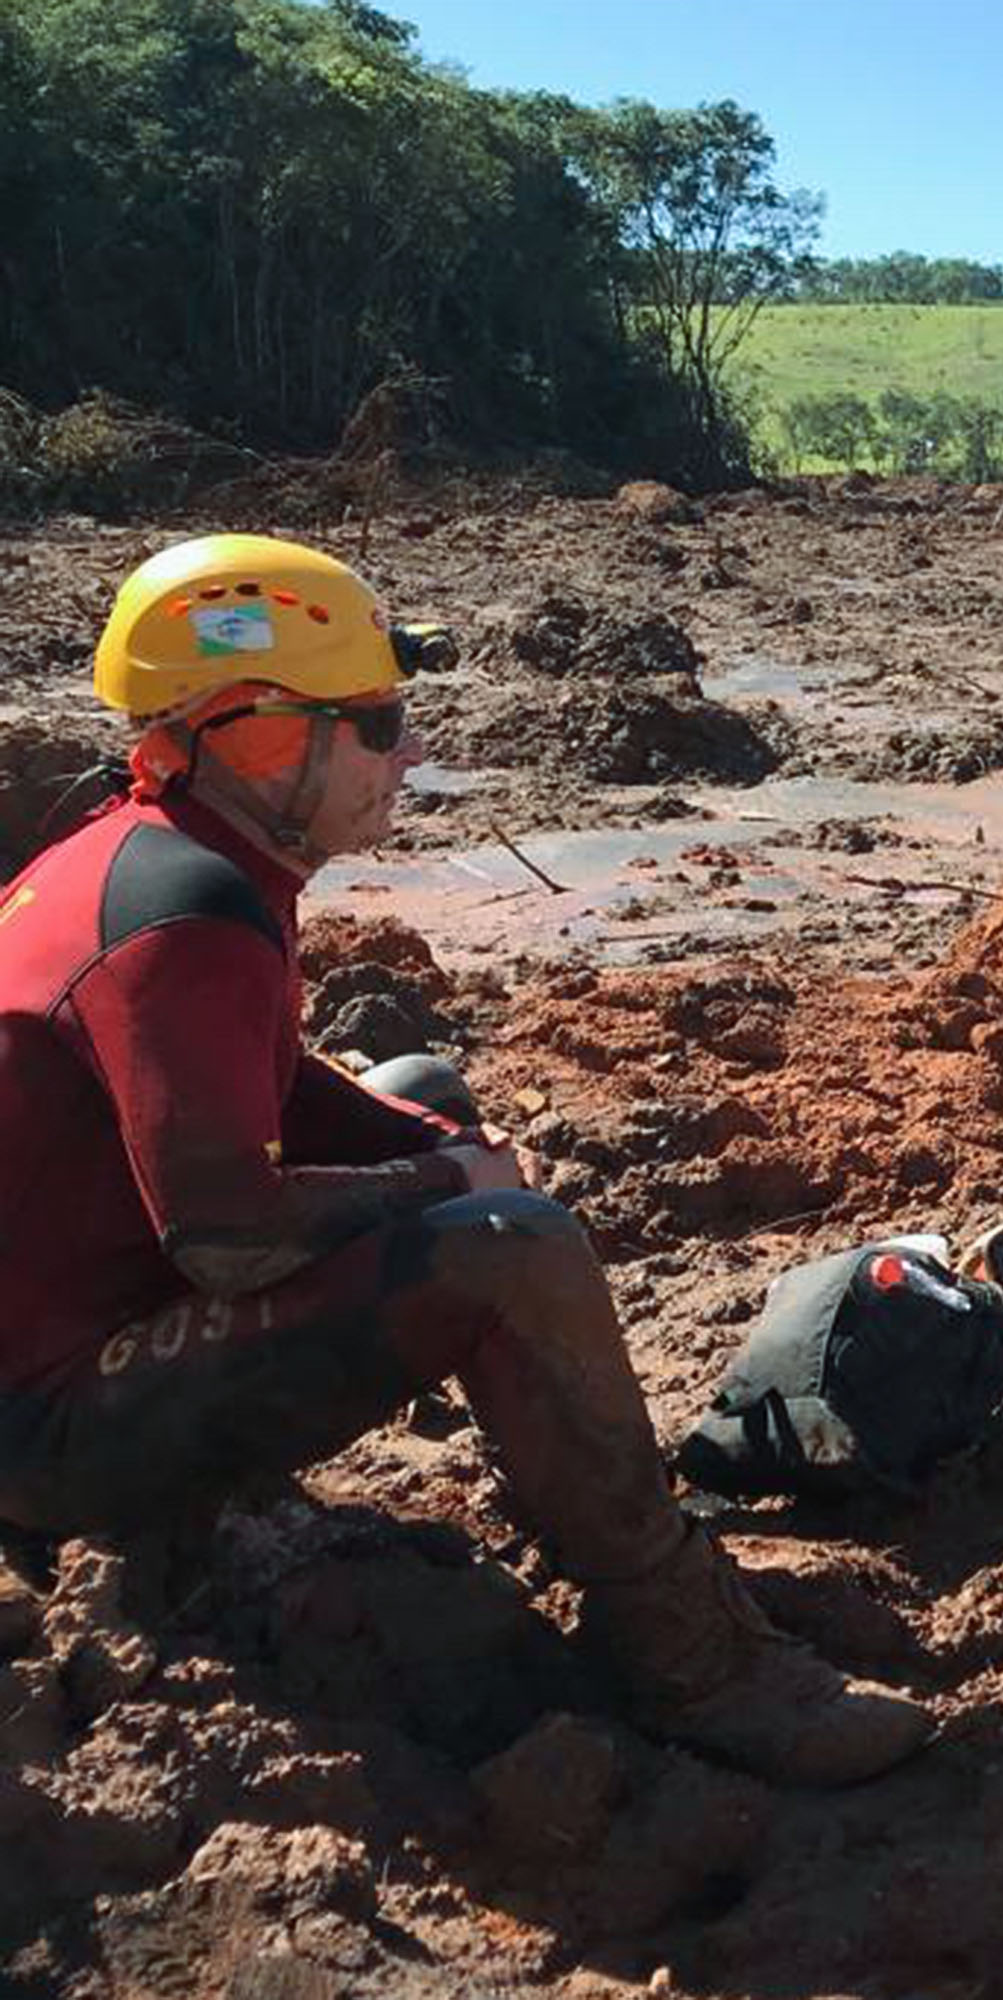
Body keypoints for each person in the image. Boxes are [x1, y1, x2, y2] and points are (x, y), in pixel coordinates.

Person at [0, 534, 931, 1788]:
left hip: (73, 1327)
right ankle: (694, 1657)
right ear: (258, 733)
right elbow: (226, 1237)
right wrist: (454, 1195)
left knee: (424, 1100)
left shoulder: (161, 854)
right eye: (378, 721)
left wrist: (442, 1150)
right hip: (48, 1431)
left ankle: (561, 1478)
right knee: (515, 1254)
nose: (413, 750)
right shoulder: (191, 916)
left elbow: (263, 1094)